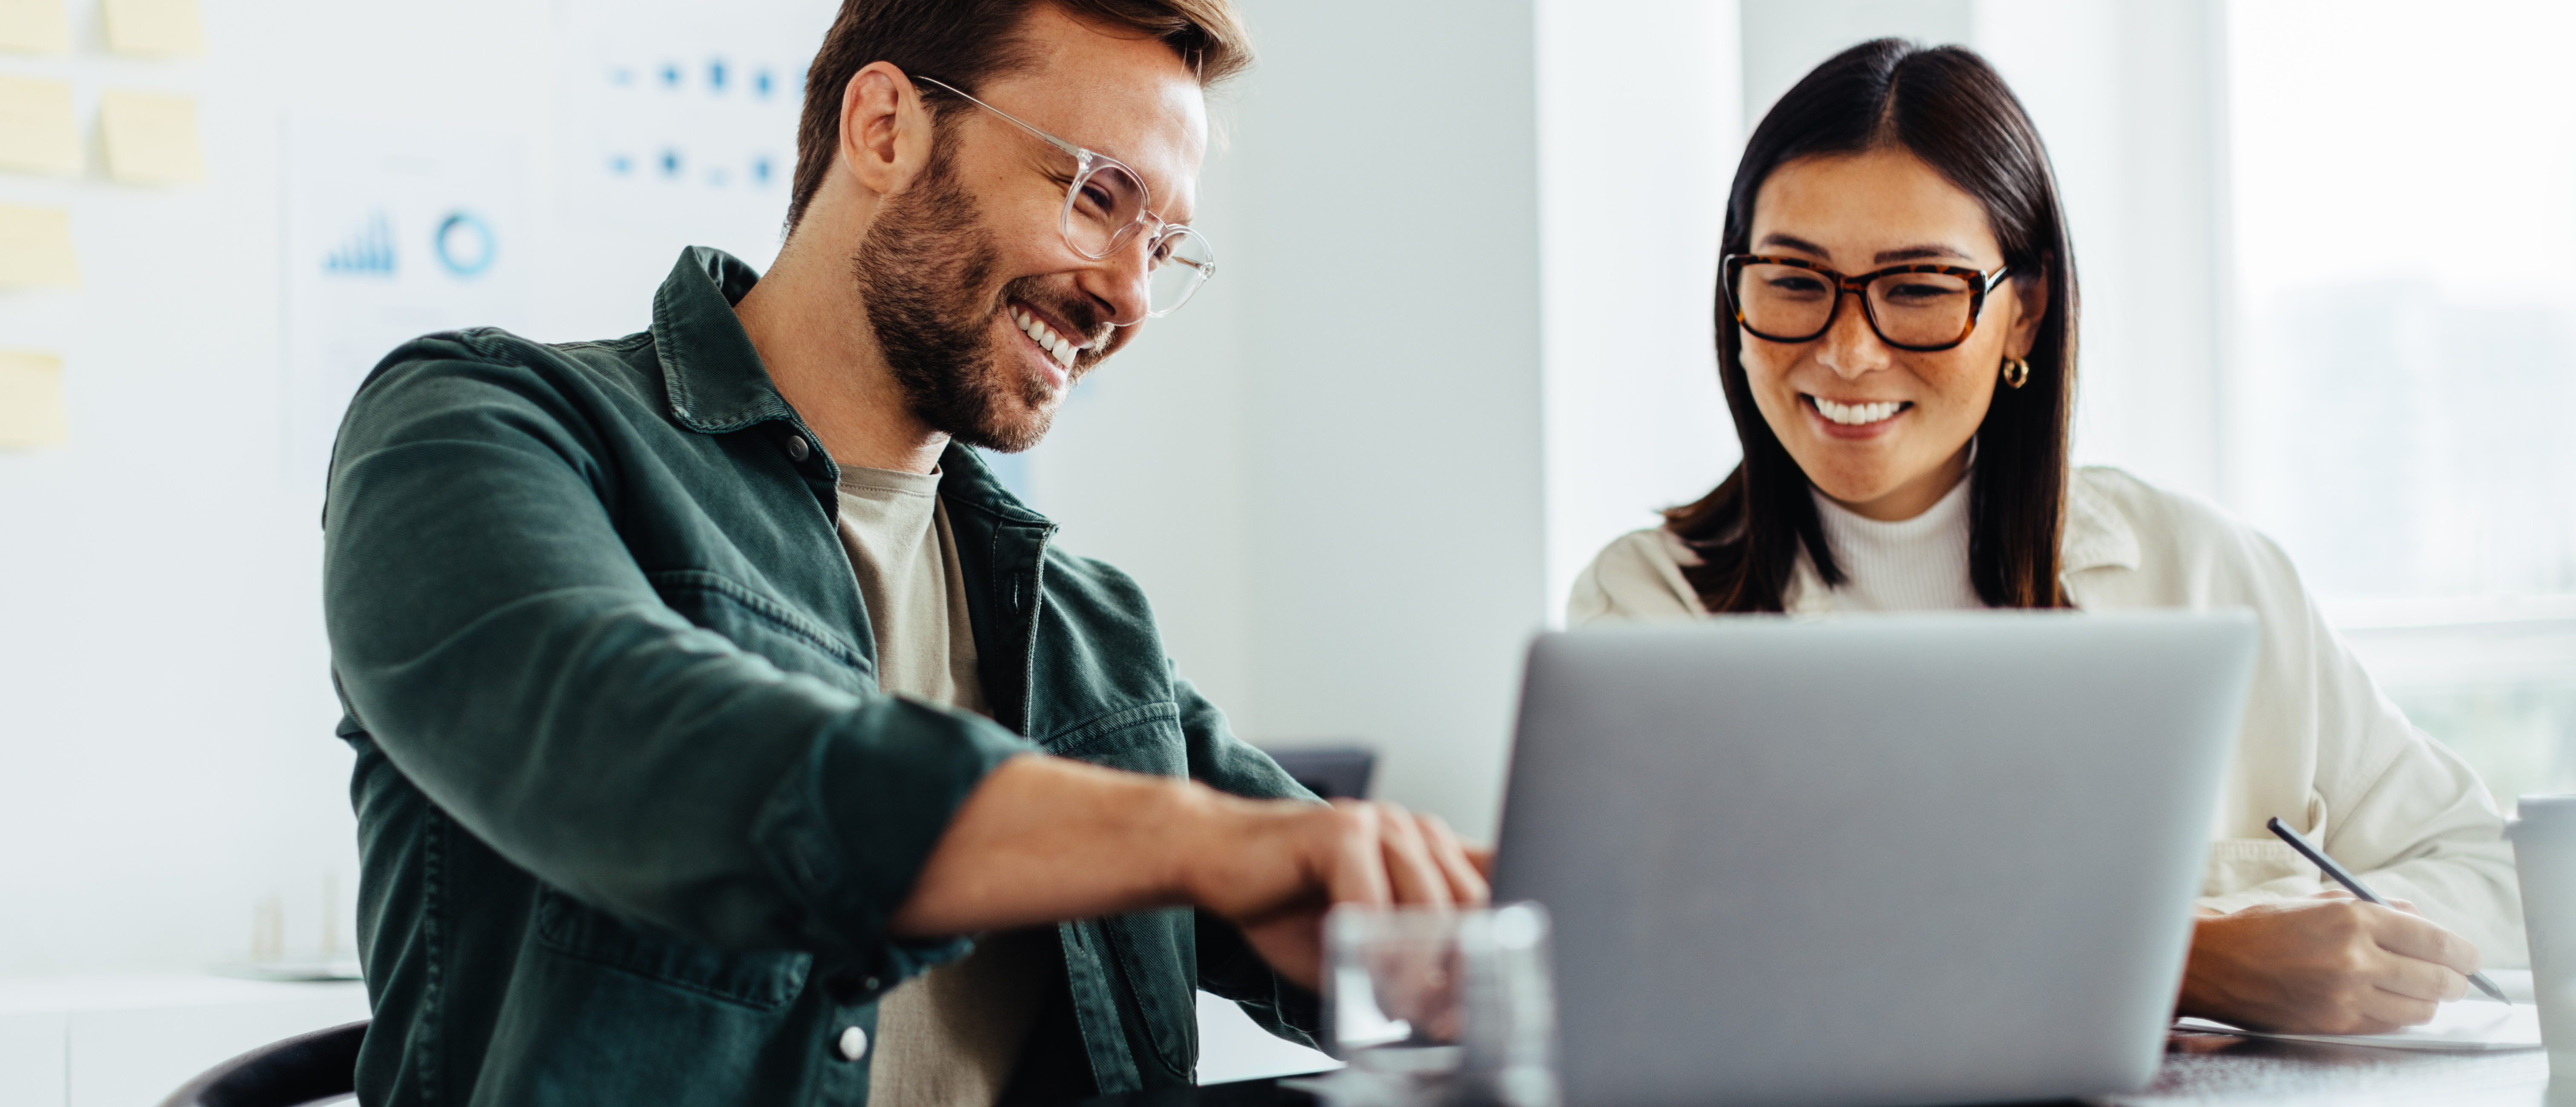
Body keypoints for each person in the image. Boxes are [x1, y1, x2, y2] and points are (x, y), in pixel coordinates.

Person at [321, 2, 1488, 1105]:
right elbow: (646, 742)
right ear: (886, 129)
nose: (1128, 295)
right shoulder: (480, 424)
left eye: (1164, 246)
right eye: (1096, 195)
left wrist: (1487, 925)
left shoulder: (1092, 635)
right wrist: (1194, 841)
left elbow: (1340, 897)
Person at [1567, 38, 2521, 1037]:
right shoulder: (1647, 609)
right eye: (1795, 281)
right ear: (1736, 296)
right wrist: (2183, 959)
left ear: (2023, 313)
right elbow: (1656, 955)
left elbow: (2492, 878)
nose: (1848, 351)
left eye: (1919, 288)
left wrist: (2316, 940)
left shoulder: (2205, 571)